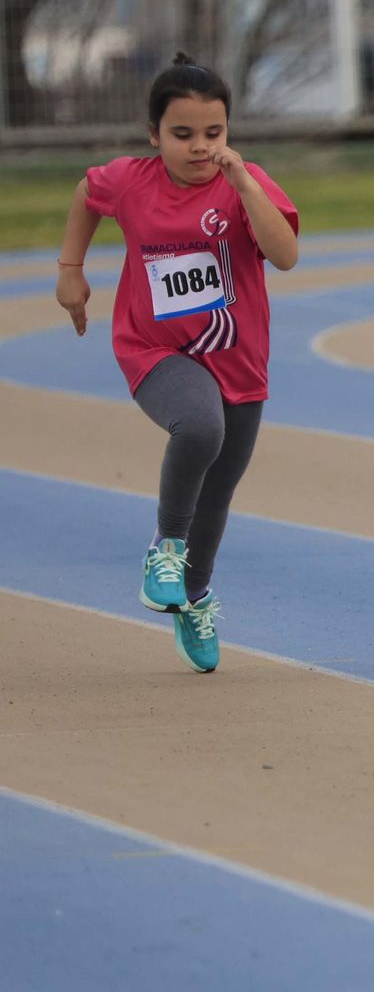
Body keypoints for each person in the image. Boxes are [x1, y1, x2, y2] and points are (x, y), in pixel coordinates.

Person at [55, 53, 300, 672]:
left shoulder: (247, 184)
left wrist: (244, 185)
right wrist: (70, 270)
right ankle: (162, 551)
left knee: (217, 492)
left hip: (238, 359)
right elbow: (88, 191)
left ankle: (194, 596)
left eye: (212, 134)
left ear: (228, 133)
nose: (199, 148)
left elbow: (287, 254)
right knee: (200, 426)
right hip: (155, 348)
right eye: (182, 134)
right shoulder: (132, 180)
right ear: (153, 136)